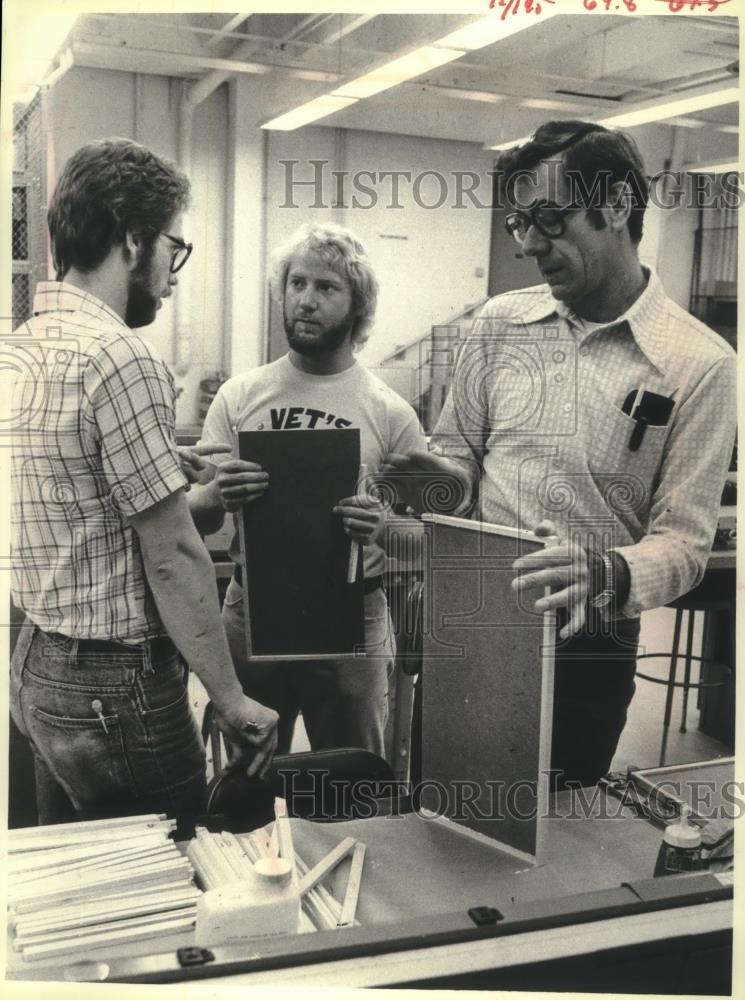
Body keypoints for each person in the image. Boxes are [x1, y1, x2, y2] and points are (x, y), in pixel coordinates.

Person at [383, 121, 736, 788]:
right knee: (442, 815)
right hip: (475, 619)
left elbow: (685, 545)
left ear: (617, 207)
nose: (528, 245)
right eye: (519, 223)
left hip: (589, 646)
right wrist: (435, 481)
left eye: (547, 218)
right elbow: (458, 460)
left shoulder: (700, 365)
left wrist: (602, 570)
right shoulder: (497, 324)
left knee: (555, 847)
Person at [9, 138, 278, 826]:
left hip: (39, 662)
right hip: (115, 684)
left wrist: (180, 487)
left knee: (81, 866)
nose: (174, 272)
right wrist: (230, 697)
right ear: (132, 239)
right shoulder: (122, 355)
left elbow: (84, 506)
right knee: (171, 860)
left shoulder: (25, 343)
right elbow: (172, 554)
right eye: (172, 248)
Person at [188, 222, 427, 758]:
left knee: (348, 789)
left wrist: (384, 530)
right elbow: (196, 519)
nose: (306, 301)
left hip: (350, 621)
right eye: (297, 284)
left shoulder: (389, 412)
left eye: (326, 287)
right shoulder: (240, 395)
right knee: (246, 789)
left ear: (358, 303)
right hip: (253, 613)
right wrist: (218, 494)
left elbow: (427, 543)